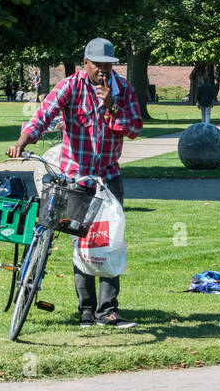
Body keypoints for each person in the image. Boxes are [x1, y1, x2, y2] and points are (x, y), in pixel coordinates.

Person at [7, 37, 143, 328]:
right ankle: (86, 310)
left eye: (108, 66)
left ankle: (108, 311)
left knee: (109, 242)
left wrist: (112, 108)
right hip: (76, 176)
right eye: (98, 66)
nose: (103, 72)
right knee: (81, 242)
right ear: (86, 64)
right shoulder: (72, 85)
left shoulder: (123, 90)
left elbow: (134, 129)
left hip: (108, 177)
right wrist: (22, 141)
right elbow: (43, 115)